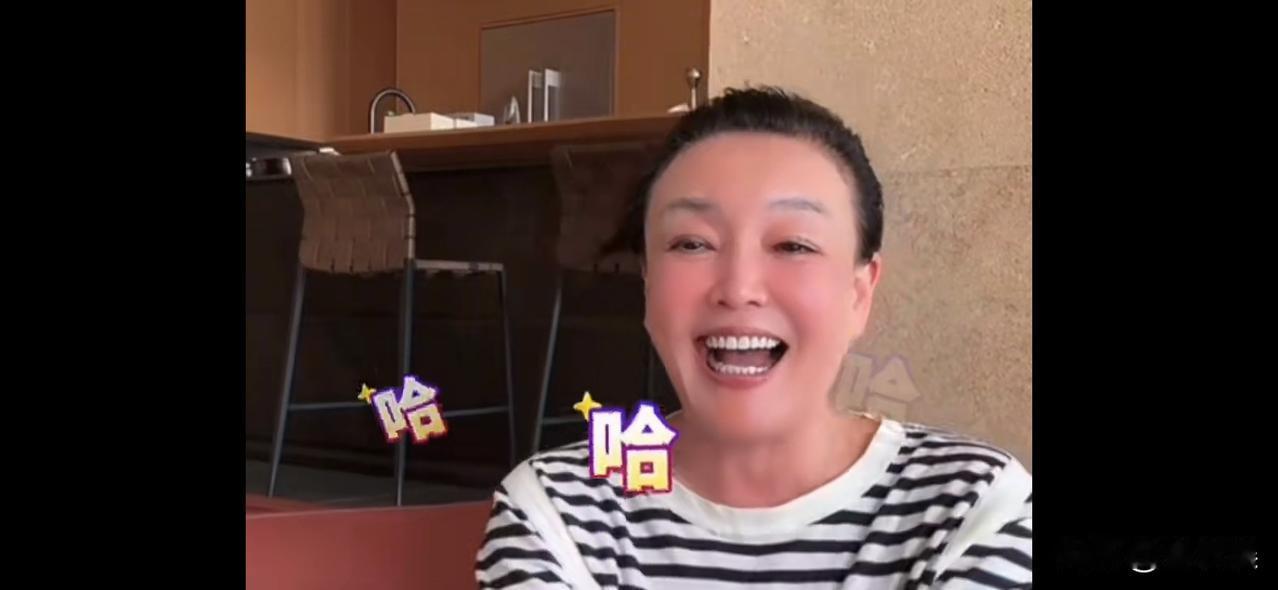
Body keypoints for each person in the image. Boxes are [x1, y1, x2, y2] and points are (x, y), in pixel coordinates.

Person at [474, 86, 1032, 589]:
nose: (738, 289)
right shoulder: (557, 511)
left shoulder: (975, 508)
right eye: (692, 244)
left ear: (859, 294)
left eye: (794, 245)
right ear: (647, 282)